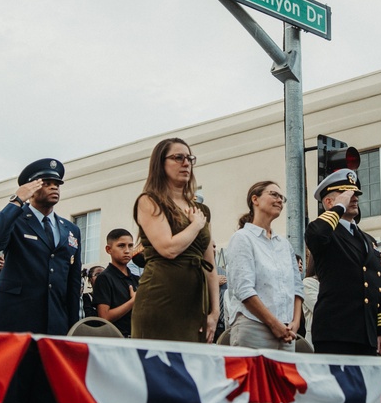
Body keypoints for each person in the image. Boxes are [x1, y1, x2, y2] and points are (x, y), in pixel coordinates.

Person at [0, 158, 82, 403]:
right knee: (15, 400)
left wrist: (70, 328)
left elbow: (72, 283)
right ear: (31, 187)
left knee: (44, 402)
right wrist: (16, 200)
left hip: (53, 326)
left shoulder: (70, 229)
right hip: (17, 322)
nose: (54, 187)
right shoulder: (17, 219)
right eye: (46, 182)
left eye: (57, 183)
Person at [130, 138, 220, 343]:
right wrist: (196, 225)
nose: (186, 163)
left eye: (189, 158)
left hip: (196, 306)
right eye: (178, 158)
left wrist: (215, 313)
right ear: (160, 164)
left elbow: (210, 267)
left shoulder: (202, 210)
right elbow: (168, 248)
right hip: (160, 302)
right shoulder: (149, 200)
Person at [305, 169, 381, 356]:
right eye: (347, 194)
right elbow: (317, 234)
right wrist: (338, 208)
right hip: (336, 332)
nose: (354, 198)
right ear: (328, 202)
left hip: (366, 334)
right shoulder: (324, 232)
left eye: (355, 194)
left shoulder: (367, 240)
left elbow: (378, 284)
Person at [225, 181, 304, 351]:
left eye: (282, 197)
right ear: (255, 199)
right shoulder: (242, 238)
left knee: (283, 378)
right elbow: (244, 290)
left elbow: (297, 287)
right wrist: (274, 324)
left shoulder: (284, 244)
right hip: (254, 328)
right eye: (274, 195)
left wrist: (295, 323)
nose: (279, 200)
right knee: (253, 378)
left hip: (287, 332)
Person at [92, 228, 140, 337]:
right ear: (109, 249)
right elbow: (104, 317)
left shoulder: (137, 279)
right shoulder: (104, 278)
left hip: (137, 339)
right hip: (116, 340)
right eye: (121, 246)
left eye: (130, 246)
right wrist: (133, 302)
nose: (127, 250)